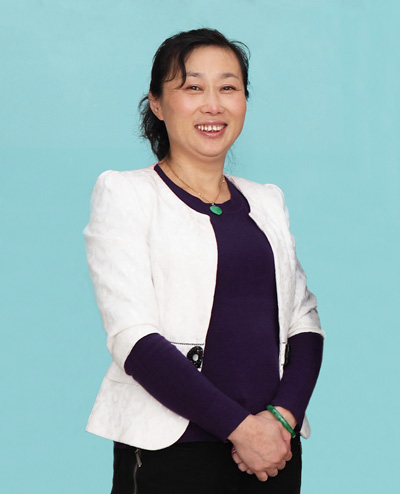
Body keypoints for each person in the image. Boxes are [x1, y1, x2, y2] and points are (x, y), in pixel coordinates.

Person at [84, 28, 325, 494]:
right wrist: (241, 429)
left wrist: (281, 420)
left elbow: (305, 324)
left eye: (228, 87)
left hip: (273, 455)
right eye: (193, 87)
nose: (213, 105)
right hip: (172, 452)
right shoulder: (126, 194)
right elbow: (133, 339)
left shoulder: (267, 201)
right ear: (157, 103)